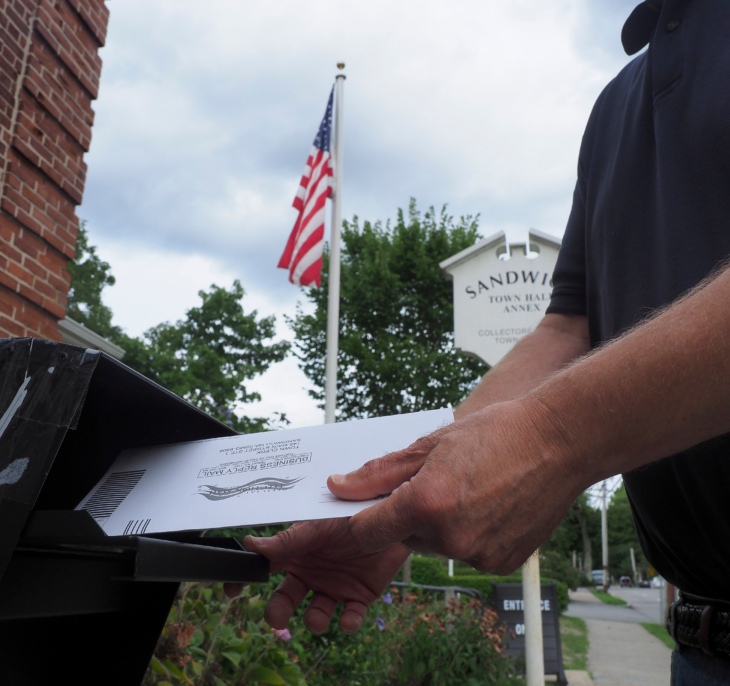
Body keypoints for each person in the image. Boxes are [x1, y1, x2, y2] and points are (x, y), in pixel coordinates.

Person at [230, 1, 730, 682]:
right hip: (701, 648)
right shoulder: (617, 102)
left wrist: (551, 442)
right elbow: (570, 324)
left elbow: (552, 414)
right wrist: (405, 499)